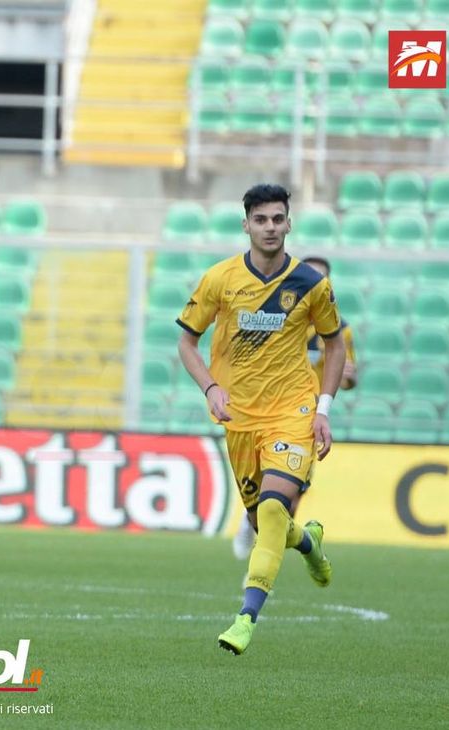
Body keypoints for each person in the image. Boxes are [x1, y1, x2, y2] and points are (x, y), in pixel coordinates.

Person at [176, 184, 342, 655]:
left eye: (278, 219)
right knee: (264, 521)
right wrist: (211, 387)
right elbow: (186, 343)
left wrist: (323, 410)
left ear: (289, 223)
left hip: (293, 412)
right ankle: (308, 543)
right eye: (261, 219)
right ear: (246, 225)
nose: (270, 227)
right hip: (240, 419)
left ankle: (246, 617)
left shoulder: (310, 283)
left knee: (271, 510)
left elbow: (335, 345)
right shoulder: (220, 279)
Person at [231, 254, 358, 560]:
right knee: (264, 489)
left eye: (321, 278)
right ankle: (253, 520)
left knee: (291, 495)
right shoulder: (276, 317)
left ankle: (259, 561)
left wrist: (348, 378)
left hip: (305, 416)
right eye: (308, 274)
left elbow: (346, 377)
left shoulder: (339, 330)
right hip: (266, 410)